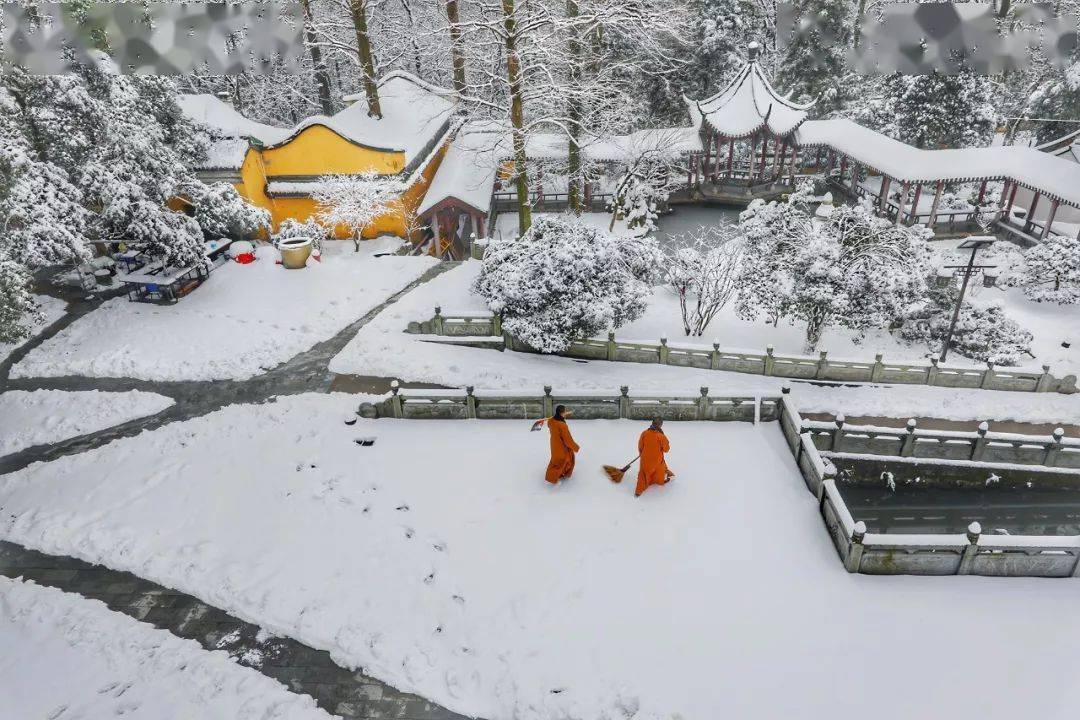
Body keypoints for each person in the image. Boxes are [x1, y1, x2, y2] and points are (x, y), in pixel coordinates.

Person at [635, 417, 674, 497]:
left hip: (645, 459)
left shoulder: (644, 433)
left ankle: (638, 491)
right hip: (657, 461)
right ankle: (659, 481)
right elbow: (666, 449)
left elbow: (640, 446)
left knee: (643, 473)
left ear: (652, 423)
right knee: (659, 469)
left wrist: (642, 454)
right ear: (660, 425)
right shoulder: (661, 436)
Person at [545, 405, 580, 484]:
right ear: (561, 413)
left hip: (554, 444)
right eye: (565, 411)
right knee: (564, 461)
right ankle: (553, 477)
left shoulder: (551, 421)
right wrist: (575, 447)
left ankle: (555, 475)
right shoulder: (562, 426)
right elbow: (568, 440)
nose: (566, 413)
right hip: (561, 447)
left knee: (556, 460)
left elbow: (549, 423)